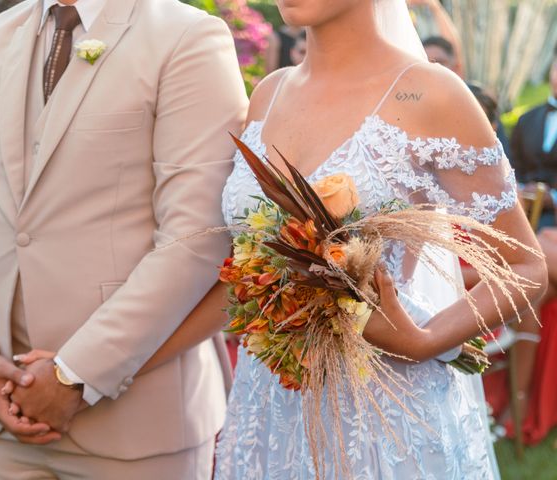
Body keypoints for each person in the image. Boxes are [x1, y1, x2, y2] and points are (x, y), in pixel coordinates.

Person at [206, 0, 542, 477]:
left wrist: (424, 341)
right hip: (271, 397)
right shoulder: (269, 93)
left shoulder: (428, 93)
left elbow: (525, 267)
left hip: (383, 402)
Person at [0, 0, 247, 478]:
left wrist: (75, 374)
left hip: (138, 427)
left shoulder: (186, 37)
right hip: (2, 413)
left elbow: (196, 238)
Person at [511, 48, 557, 228]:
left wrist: (552, 198)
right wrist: (523, 189)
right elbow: (512, 163)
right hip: (520, 210)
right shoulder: (526, 119)